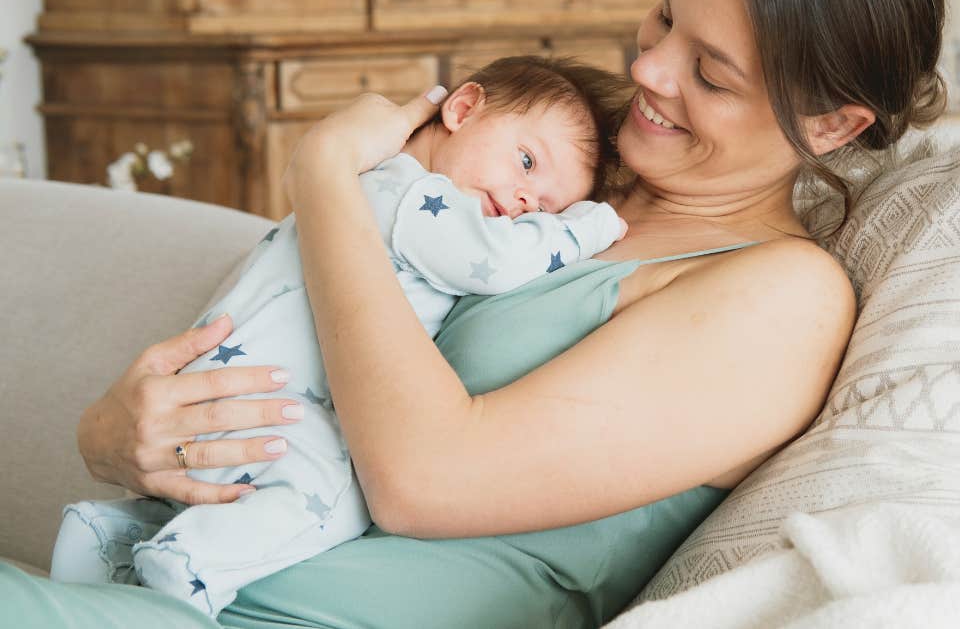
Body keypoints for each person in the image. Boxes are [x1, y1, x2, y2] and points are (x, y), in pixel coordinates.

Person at [0, 0, 946, 628]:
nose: (649, 71)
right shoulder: (559, 162)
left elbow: (421, 480)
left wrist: (324, 167)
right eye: (665, 20)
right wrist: (112, 435)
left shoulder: (780, 296)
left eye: (710, 72)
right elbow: (277, 311)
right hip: (174, 580)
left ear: (831, 123)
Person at [45, 56, 631, 617]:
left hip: (230, 398)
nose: (527, 202)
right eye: (527, 162)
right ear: (464, 108)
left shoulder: (362, 186)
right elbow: (494, 262)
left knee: (249, 493)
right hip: (261, 404)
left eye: (548, 207)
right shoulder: (412, 196)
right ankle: (190, 566)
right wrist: (585, 226)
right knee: (334, 494)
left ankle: (110, 538)